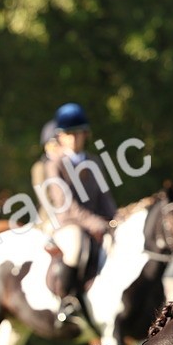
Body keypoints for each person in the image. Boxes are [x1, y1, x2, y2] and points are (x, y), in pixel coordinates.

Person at [42, 103, 116, 323]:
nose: (73, 138)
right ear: (60, 137)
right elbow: (66, 204)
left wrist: (115, 218)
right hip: (68, 223)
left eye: (78, 133)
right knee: (75, 248)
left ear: (86, 134)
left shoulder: (94, 161)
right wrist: (96, 223)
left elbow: (104, 197)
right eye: (68, 134)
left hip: (96, 222)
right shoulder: (54, 164)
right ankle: (67, 299)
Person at [30, 119, 60, 222]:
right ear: (46, 145)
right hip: (50, 218)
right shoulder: (40, 167)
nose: (58, 146)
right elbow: (45, 199)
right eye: (55, 143)